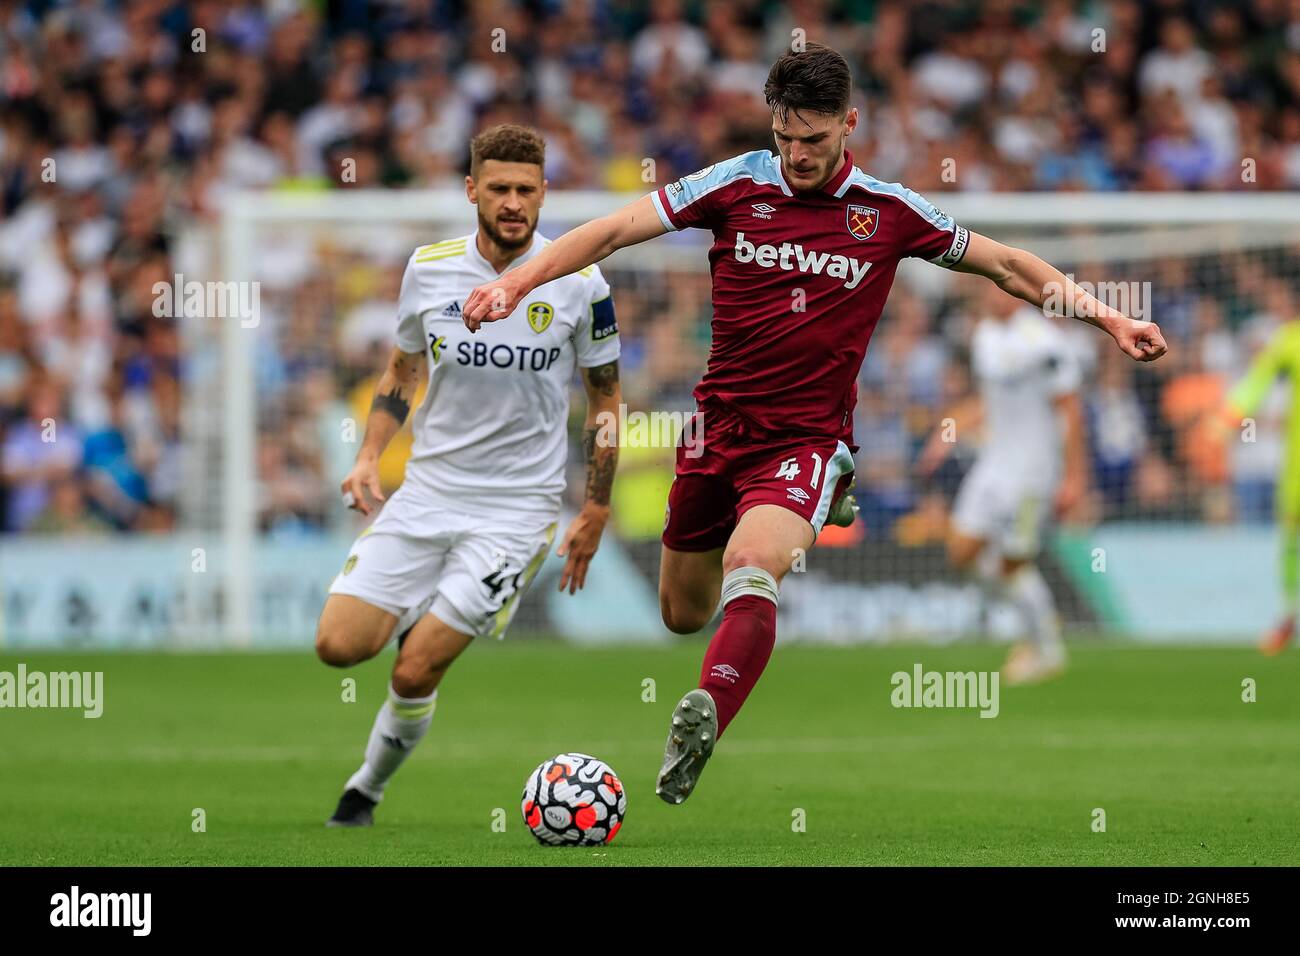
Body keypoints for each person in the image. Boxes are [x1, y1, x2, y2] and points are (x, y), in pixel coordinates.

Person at [462, 44, 1167, 806]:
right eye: (784, 137)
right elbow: (611, 231)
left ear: (849, 125)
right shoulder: (734, 183)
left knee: (752, 563)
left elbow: (1007, 267)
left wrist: (1109, 319)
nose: (796, 154)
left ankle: (704, 716)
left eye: (815, 139)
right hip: (714, 432)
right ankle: (802, 526)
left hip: (803, 440)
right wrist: (515, 282)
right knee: (681, 612)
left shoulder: (888, 211)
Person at [315, 125, 622, 826]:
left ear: (544, 194)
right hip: (427, 491)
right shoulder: (429, 269)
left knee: (414, 669)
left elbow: (605, 399)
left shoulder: (581, 282)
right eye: (499, 189)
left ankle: (364, 790)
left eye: (525, 190)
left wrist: (596, 508)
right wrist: (367, 455)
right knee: (338, 647)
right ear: (471, 191)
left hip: (517, 510)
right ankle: (421, 612)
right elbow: (402, 370)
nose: (513, 203)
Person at [917, 285, 1088, 684]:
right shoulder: (984, 336)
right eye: (987, 290)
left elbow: (1071, 411)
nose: (993, 297)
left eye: (1000, 289)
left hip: (1032, 472)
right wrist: (950, 431)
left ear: (1017, 292)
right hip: (993, 464)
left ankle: (1046, 648)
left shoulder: (1044, 343)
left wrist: (1075, 478)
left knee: (1013, 563)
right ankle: (1036, 616)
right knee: (960, 551)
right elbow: (989, 400)